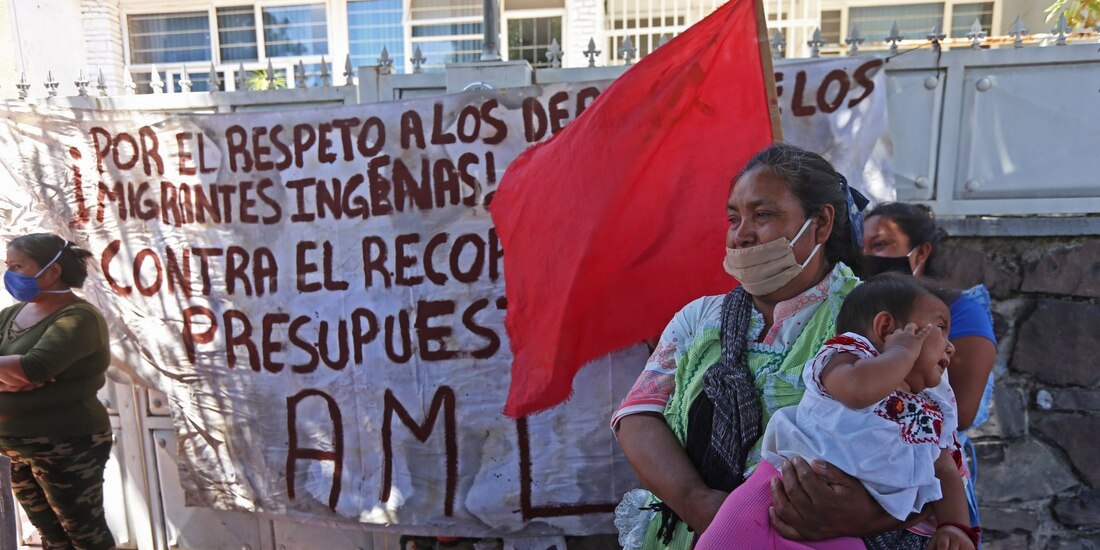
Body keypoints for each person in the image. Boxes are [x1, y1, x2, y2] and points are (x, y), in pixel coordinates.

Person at [612, 143, 931, 550]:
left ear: (821, 225)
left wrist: (867, 516)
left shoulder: (879, 318)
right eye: (733, 218)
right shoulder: (700, 319)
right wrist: (699, 503)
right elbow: (638, 416)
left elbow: (934, 443)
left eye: (762, 215)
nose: (742, 234)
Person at [696, 274, 979, 550]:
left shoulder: (928, 411)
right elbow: (859, 391)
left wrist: (954, 527)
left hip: (859, 531)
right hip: (777, 492)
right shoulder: (846, 359)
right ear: (885, 328)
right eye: (940, 328)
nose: (951, 346)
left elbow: (945, 470)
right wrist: (901, 354)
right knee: (724, 540)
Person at [863, 202, 997, 537]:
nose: (867, 257)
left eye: (879, 246)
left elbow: (961, 412)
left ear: (920, 252)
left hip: (935, 479)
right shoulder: (860, 305)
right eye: (861, 248)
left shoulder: (961, 312)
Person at [0, 233, 116, 550]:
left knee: (83, 534)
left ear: (53, 271)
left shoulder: (79, 317)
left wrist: (23, 371)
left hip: (66, 445)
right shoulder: (10, 316)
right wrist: (13, 371)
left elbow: (33, 368)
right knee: (51, 536)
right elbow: (23, 371)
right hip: (12, 446)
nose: (9, 273)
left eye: (18, 266)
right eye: (8, 265)